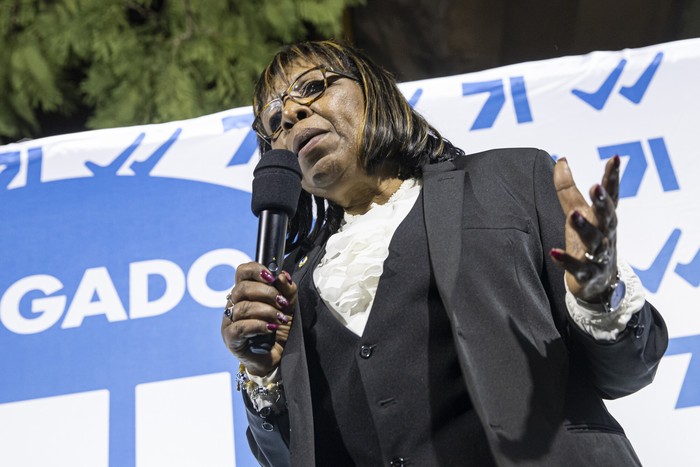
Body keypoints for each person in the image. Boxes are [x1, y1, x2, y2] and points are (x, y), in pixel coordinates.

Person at [221, 40, 668, 466]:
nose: (293, 113)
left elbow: (625, 372)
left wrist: (598, 294)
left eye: (313, 87)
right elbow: (293, 457)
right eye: (274, 120)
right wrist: (263, 375)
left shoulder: (511, 179)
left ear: (374, 91)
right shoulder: (286, 290)